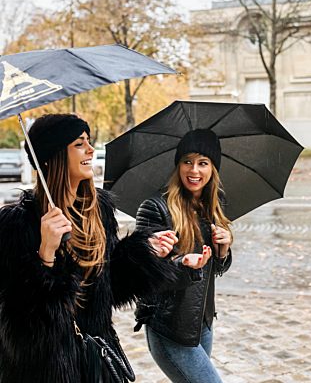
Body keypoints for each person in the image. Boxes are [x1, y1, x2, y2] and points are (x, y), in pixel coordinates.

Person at [0, 113, 178, 383]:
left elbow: (108, 290)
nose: (91, 149)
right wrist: (45, 256)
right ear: (53, 155)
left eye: (89, 140)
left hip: (95, 359)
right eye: (79, 143)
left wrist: (145, 254)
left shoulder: (99, 210)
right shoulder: (17, 224)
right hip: (45, 368)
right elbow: (17, 327)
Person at [134, 128, 233, 383]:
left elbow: (215, 269)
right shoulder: (155, 207)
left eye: (203, 163)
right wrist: (182, 263)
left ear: (213, 168)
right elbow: (143, 272)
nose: (194, 170)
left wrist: (223, 250)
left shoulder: (214, 206)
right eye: (187, 161)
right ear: (178, 165)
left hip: (202, 322)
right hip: (171, 329)